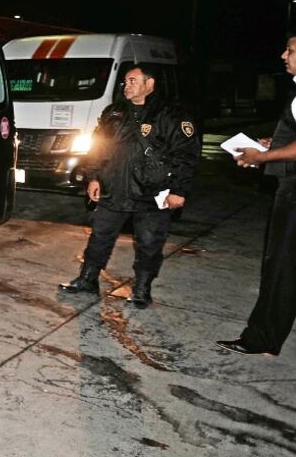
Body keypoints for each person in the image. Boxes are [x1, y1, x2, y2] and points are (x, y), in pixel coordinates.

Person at [59, 64, 200, 308]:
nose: (127, 85)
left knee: (149, 243)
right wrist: (93, 177)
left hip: (151, 194)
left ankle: (142, 289)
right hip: (114, 189)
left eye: (133, 80)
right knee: (100, 236)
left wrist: (179, 190)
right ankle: (87, 279)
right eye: (125, 81)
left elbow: (187, 155)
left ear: (150, 84)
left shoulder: (172, 115)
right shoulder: (114, 112)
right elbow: (97, 147)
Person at [218, 29, 296, 355]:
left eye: (291, 49)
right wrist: (275, 144)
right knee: (287, 265)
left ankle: (262, 338)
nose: (284, 56)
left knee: (283, 266)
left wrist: (263, 156)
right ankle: (263, 336)